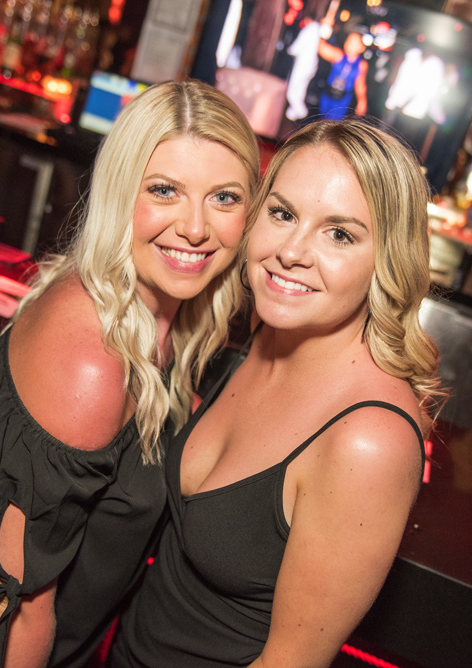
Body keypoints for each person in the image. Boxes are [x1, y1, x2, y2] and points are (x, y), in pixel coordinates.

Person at [0, 80, 260, 667]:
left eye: (223, 197)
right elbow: (14, 607)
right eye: (164, 190)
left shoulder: (169, 323)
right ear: (119, 192)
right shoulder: (92, 361)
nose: (195, 227)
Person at [111, 119, 441, 667]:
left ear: (388, 259)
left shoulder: (369, 441)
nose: (291, 252)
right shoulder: (270, 333)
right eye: (283, 214)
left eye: (339, 234)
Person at [317, 31, 368, 121]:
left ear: (362, 48)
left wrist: (362, 101)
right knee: (321, 121)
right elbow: (321, 48)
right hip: (328, 94)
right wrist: (325, 32)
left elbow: (360, 85)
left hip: (342, 100)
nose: (350, 44)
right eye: (348, 40)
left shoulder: (361, 65)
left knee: (332, 124)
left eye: (354, 43)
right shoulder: (338, 55)